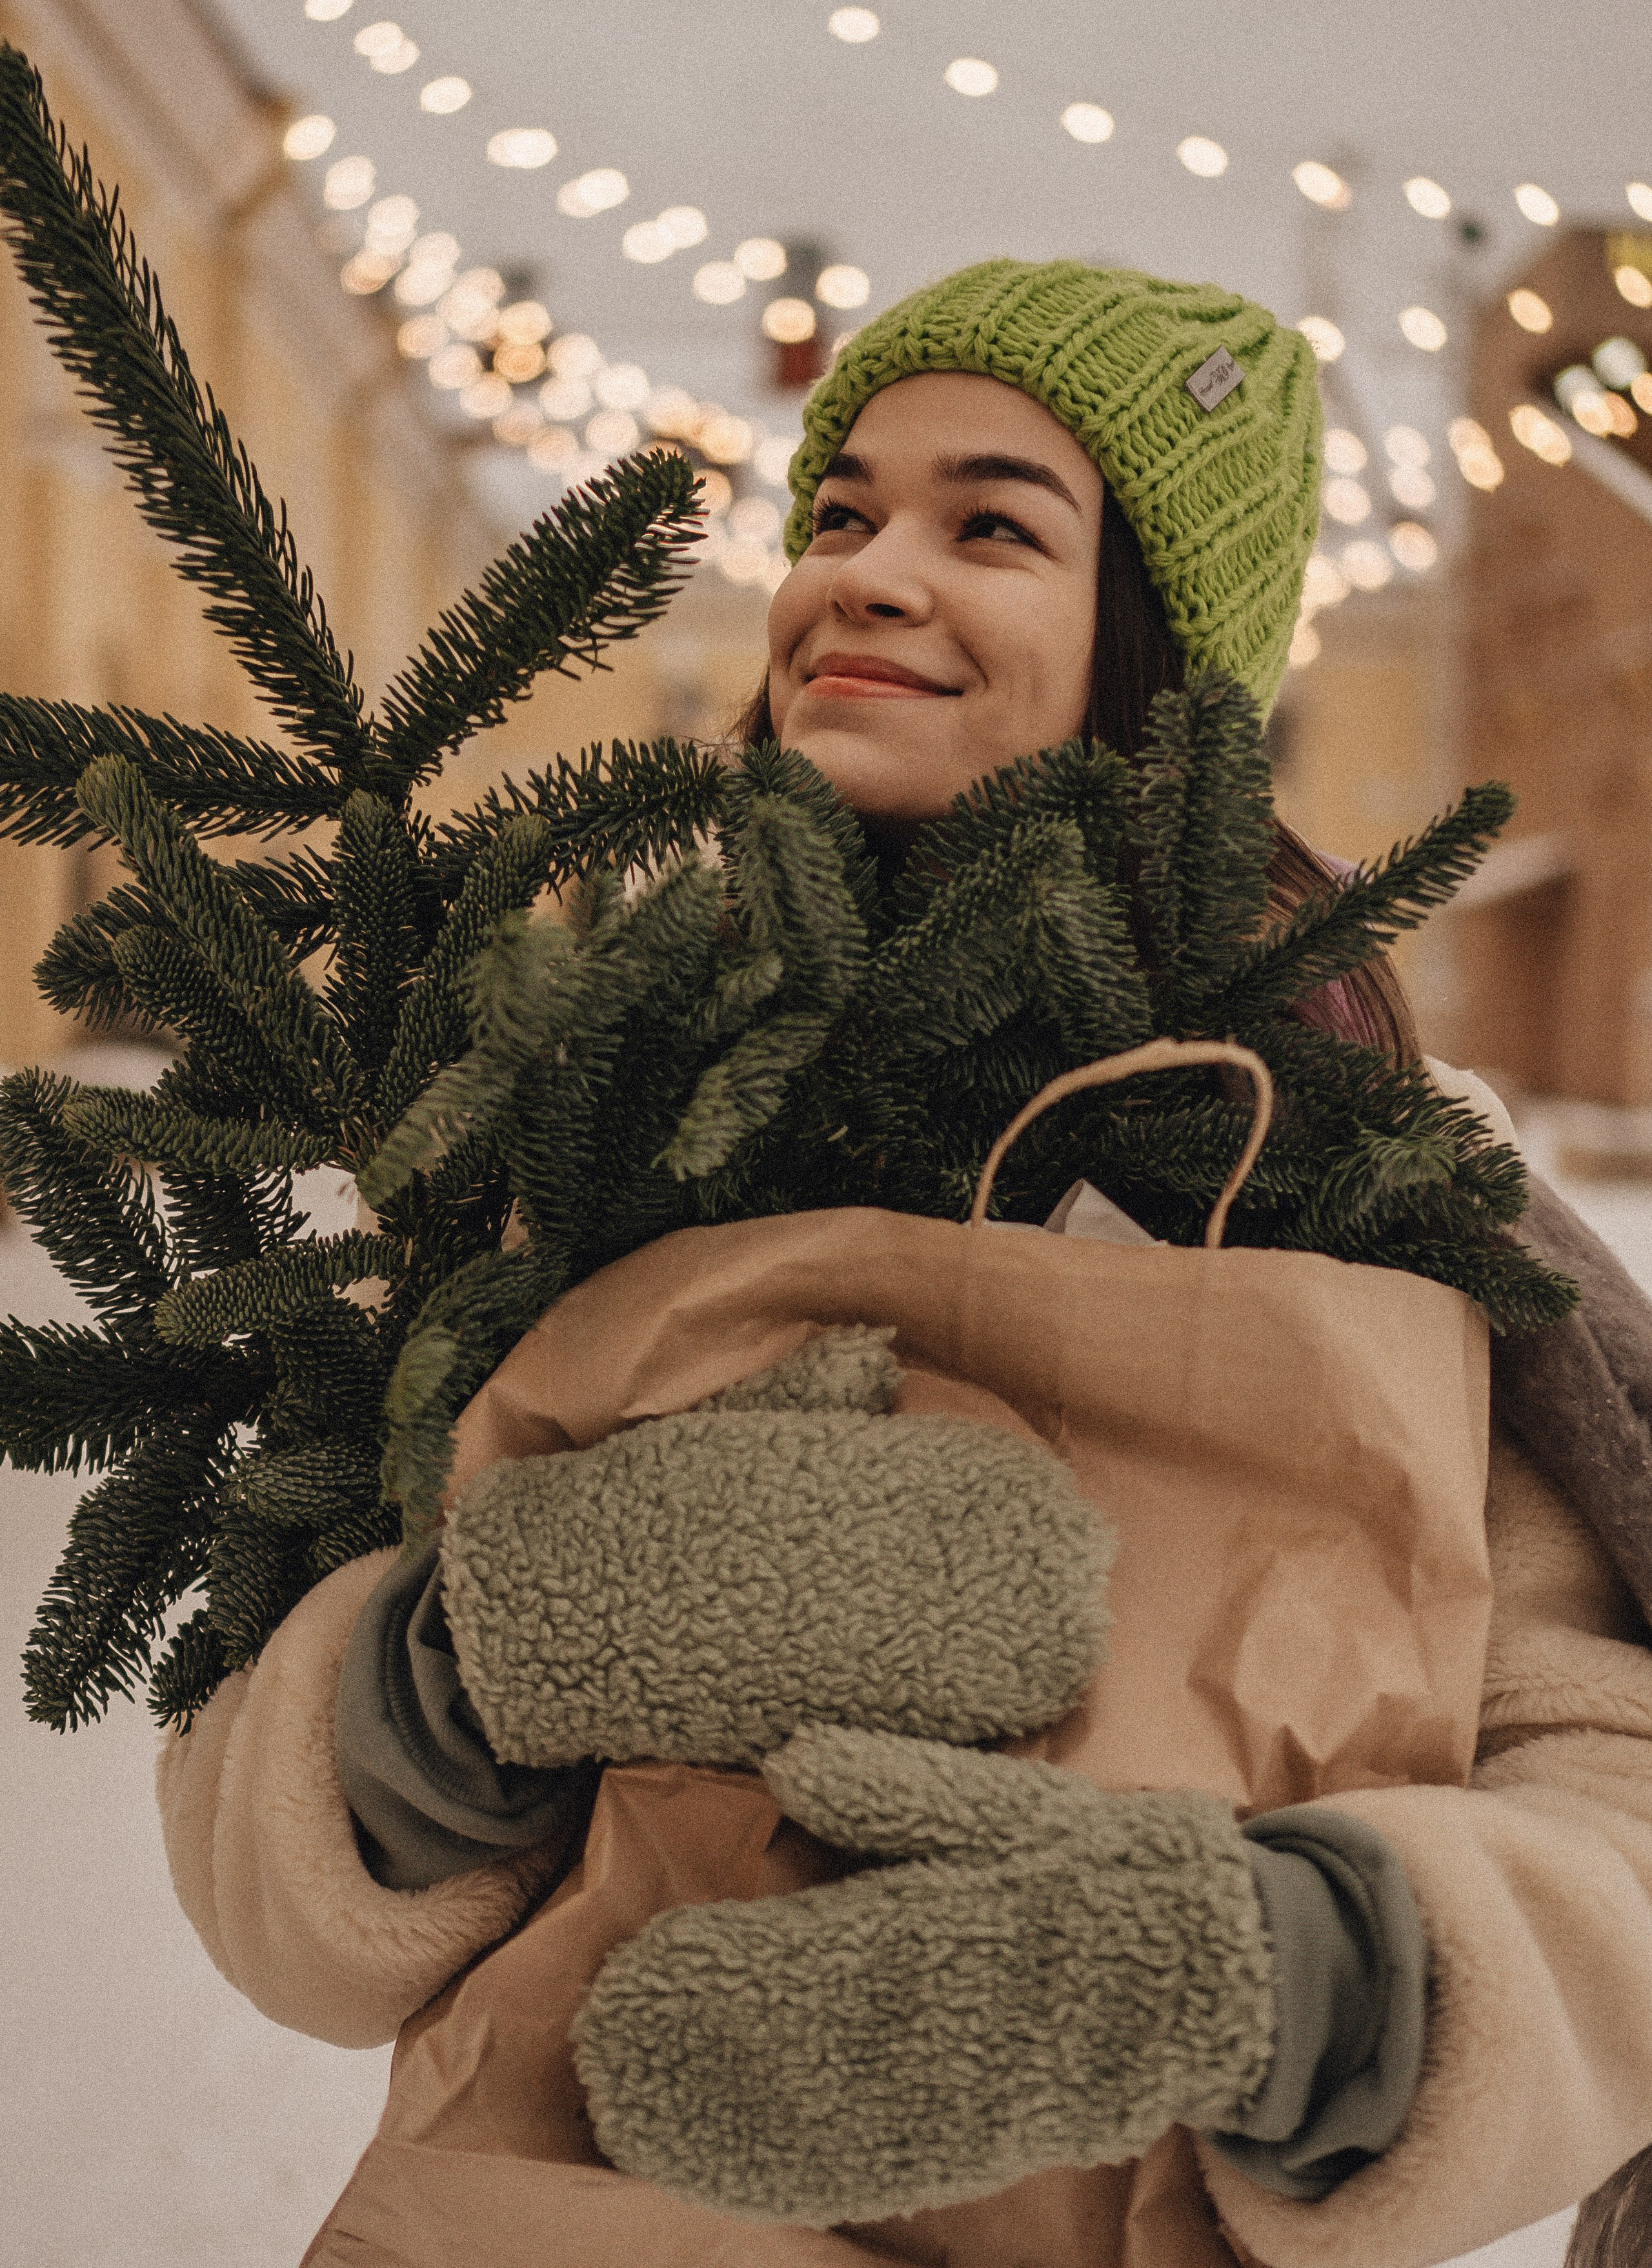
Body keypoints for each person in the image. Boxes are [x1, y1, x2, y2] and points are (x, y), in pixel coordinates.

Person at [158, 260, 1652, 2264]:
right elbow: (272, 1886)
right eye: (840, 513)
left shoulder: (1360, 1160)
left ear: (1157, 649)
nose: (860, 574)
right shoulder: (597, 1103)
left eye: (994, 525)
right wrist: (457, 1667)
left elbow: (1616, 1807)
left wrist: (1292, 1974)